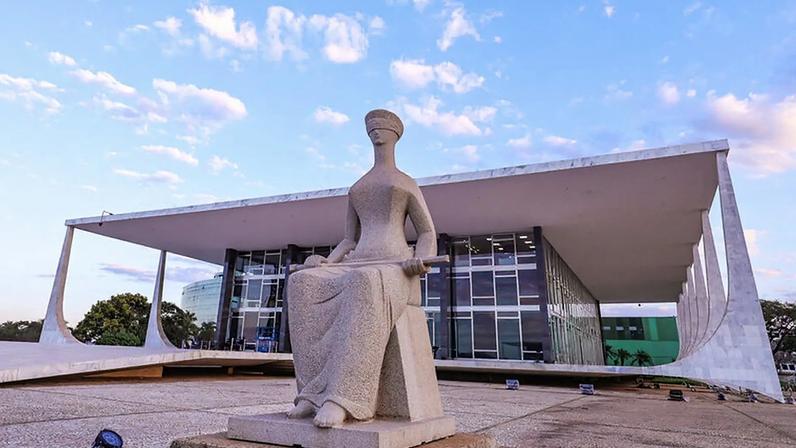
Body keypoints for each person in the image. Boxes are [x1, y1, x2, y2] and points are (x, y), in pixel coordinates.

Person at [286, 109, 437, 428]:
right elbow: (347, 239)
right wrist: (327, 262)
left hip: (396, 268)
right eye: (372, 128)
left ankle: (344, 397)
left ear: (395, 135)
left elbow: (426, 232)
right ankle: (312, 394)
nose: (377, 132)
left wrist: (420, 260)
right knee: (302, 284)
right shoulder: (358, 187)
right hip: (357, 262)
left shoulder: (405, 183)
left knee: (365, 282)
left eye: (382, 127)